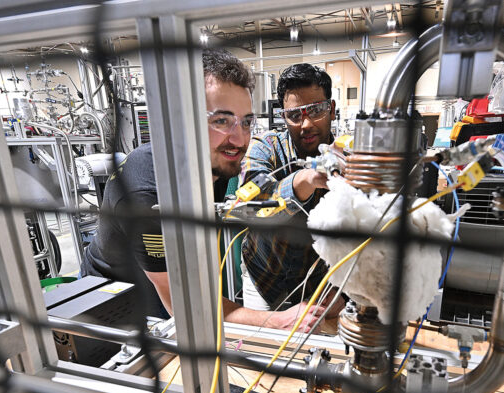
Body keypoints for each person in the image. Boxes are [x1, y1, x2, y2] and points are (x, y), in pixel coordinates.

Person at [80, 49, 326, 331]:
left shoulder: (216, 165)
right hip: (113, 305)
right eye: (221, 120)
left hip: (166, 293)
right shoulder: (148, 189)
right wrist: (278, 319)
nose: (239, 138)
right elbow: (184, 305)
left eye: (246, 122)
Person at [239, 63, 341, 315]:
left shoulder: (348, 156)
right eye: (295, 115)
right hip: (262, 274)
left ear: (332, 109)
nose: (305, 124)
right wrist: (303, 181)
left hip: (320, 281)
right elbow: (252, 209)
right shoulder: (266, 147)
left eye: (316, 110)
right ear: (284, 116)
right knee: (261, 344)